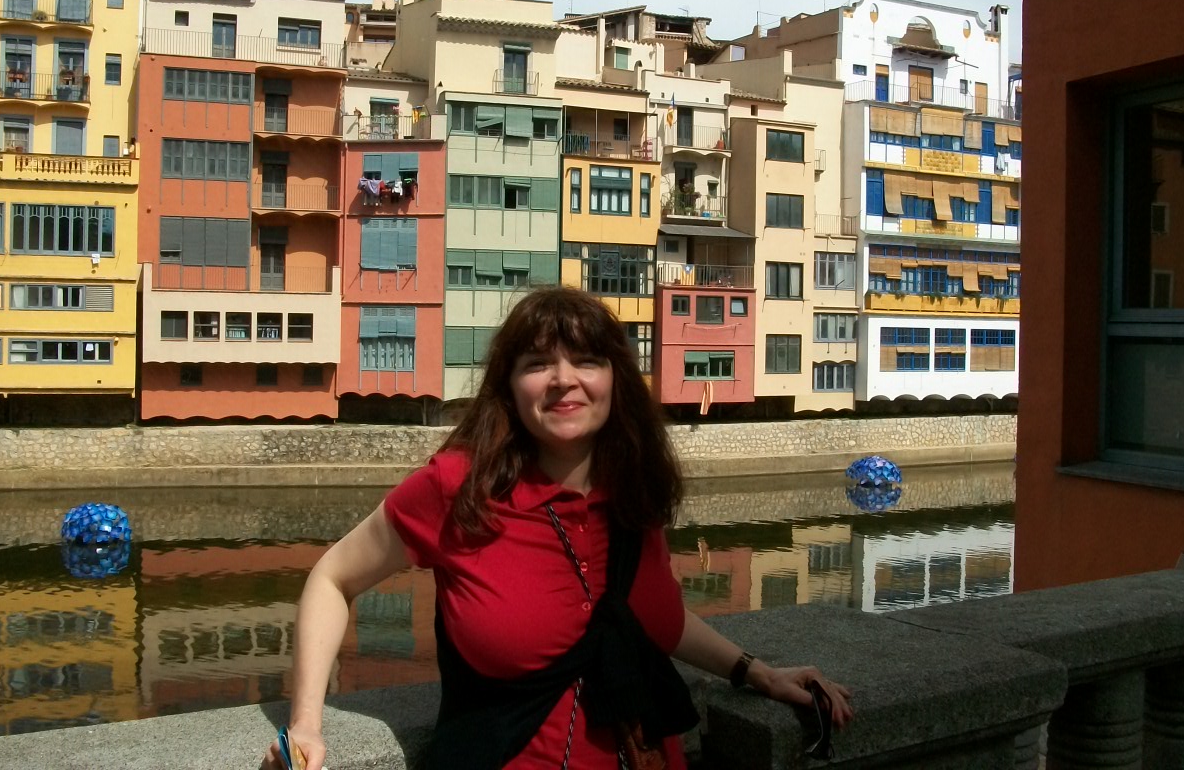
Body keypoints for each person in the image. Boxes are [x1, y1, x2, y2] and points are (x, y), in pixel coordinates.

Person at [262, 287, 852, 770]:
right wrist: (306, 724)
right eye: (538, 363)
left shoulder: (632, 491)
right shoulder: (459, 487)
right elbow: (333, 578)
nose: (563, 379)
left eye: (586, 361)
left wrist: (757, 672)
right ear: (510, 386)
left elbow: (657, 620)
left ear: (615, 379)